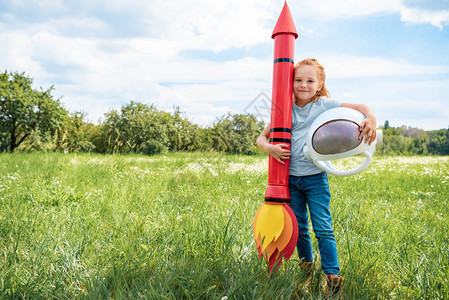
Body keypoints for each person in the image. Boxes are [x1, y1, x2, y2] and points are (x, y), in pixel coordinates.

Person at [256, 58, 377, 295]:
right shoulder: (284, 109)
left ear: (319, 84)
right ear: (290, 83)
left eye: (310, 80)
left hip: (315, 178)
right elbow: (261, 138)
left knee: (322, 226)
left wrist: (370, 118)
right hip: (289, 179)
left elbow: (362, 106)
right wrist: (270, 148)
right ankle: (306, 269)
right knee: (298, 226)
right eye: (298, 80)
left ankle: (332, 276)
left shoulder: (323, 105)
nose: (303, 85)